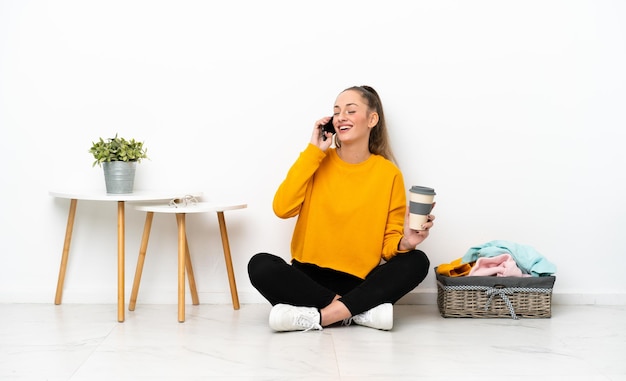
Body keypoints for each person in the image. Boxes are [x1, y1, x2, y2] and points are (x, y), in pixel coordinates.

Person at [247, 85, 435, 332]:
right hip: (307, 279)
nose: (341, 117)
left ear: (372, 119)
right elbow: (282, 208)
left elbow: (388, 248)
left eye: (350, 110)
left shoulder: (388, 174)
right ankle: (356, 312)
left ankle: (320, 317)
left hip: (357, 283)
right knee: (260, 265)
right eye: (336, 112)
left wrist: (407, 243)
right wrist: (313, 151)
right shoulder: (316, 161)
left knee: (417, 261)